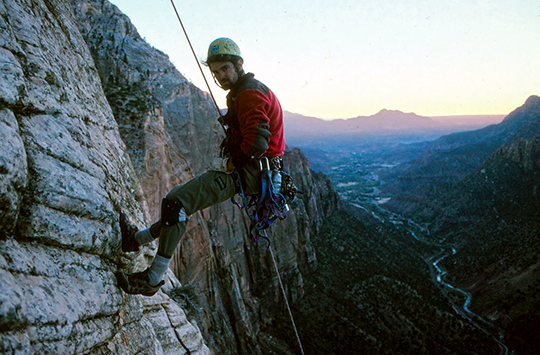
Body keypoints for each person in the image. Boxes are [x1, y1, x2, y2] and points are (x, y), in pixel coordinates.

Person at [116, 37, 285, 296]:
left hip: (250, 170)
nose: (220, 76)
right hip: (256, 170)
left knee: (177, 203)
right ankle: (136, 240)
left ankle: (151, 279)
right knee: (180, 207)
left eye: (225, 69)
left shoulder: (249, 92)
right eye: (215, 72)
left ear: (239, 64)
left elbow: (257, 143)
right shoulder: (248, 89)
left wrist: (230, 162)